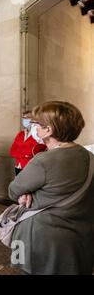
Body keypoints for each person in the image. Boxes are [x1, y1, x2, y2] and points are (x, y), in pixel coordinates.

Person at [8, 101, 94, 275]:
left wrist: (26, 191)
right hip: (80, 238)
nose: (33, 127)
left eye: (37, 123)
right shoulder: (89, 156)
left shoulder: (43, 160)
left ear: (49, 130)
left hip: (43, 239)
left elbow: (13, 190)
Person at [9, 110, 47, 175]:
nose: (25, 120)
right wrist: (25, 155)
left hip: (31, 167)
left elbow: (35, 152)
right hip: (18, 165)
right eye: (23, 118)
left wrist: (20, 152)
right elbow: (12, 151)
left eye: (27, 118)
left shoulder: (37, 135)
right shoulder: (21, 134)